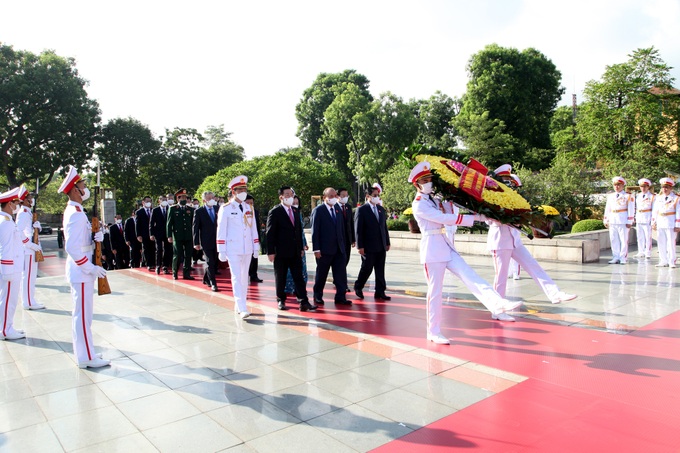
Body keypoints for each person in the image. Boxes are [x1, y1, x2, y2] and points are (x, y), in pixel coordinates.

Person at [408, 161, 522, 344]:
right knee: (435, 292)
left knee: (471, 276)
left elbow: (450, 209)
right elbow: (445, 218)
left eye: (430, 178)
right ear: (417, 184)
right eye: (425, 180)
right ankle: (433, 331)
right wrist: (475, 218)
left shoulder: (435, 199)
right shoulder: (419, 204)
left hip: (445, 245)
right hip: (432, 250)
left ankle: (498, 303)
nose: (429, 182)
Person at [486, 168, 576, 320]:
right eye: (506, 180)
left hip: (515, 240)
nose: (509, 184)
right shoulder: (490, 197)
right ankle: (497, 309)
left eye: (510, 180)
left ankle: (555, 294)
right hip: (500, 242)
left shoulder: (514, 197)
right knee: (501, 277)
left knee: (534, 266)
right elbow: (488, 219)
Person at [58, 166, 110, 368]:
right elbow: (71, 247)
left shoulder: (78, 211)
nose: (85, 189)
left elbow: (81, 241)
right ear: (74, 190)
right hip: (81, 272)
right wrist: (90, 268)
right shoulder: (75, 213)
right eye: (82, 186)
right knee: (82, 316)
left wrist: (96, 236)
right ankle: (86, 357)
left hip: (82, 271)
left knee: (84, 316)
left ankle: (87, 355)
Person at [266, 186, 316, 312]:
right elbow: (270, 233)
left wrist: (301, 248)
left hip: (295, 251)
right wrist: (270, 251)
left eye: (291, 194)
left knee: (298, 277)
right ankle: (281, 300)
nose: (290, 197)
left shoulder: (295, 211)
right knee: (281, 277)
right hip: (280, 252)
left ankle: (303, 301)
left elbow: (298, 231)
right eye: (287, 194)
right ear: (281, 197)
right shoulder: (275, 211)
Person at [217, 176, 260, 318]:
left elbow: (253, 228)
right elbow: (221, 230)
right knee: (236, 277)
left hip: (246, 248)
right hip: (233, 248)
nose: (243, 192)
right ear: (233, 191)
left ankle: (239, 303)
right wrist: (221, 249)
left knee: (244, 277)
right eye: (240, 190)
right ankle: (242, 307)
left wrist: (255, 246)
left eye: (245, 189)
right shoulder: (226, 208)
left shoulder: (249, 207)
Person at [311, 187, 351, 306]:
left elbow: (341, 229)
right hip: (324, 250)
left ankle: (340, 296)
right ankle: (318, 295)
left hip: (339, 249)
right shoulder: (319, 210)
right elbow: (315, 231)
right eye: (331, 196)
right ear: (325, 198)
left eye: (335, 196)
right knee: (321, 274)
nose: (334, 198)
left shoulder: (338, 208)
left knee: (340, 275)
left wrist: (343, 246)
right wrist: (316, 249)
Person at [0, 187, 30, 340]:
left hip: (11, 266)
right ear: (9, 204)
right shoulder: (5, 222)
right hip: (10, 268)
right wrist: (8, 270)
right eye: (16, 202)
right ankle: (4, 330)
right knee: (7, 301)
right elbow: (4, 248)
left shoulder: (6, 220)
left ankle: (7, 326)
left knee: (9, 300)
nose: (18, 205)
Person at [353, 185, 391, 301]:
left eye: (378, 195)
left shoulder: (380, 209)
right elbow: (358, 229)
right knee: (367, 268)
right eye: (374, 196)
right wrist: (360, 246)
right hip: (368, 246)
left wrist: (387, 242)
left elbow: (384, 227)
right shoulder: (362, 210)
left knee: (380, 269)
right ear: (367, 196)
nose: (377, 198)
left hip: (381, 245)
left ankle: (380, 291)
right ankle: (358, 286)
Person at [15, 187, 46, 310]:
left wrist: (37, 227)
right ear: (25, 200)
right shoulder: (23, 213)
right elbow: (18, 232)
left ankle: (30, 299)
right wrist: (30, 244)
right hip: (28, 250)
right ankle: (27, 302)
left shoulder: (27, 212)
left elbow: (30, 230)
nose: (32, 199)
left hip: (31, 249)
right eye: (29, 198)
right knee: (27, 277)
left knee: (31, 277)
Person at [603, 176, 635, 264]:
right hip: (613, 219)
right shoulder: (610, 196)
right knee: (613, 239)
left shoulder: (628, 196)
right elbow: (607, 208)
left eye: (619, 185)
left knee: (623, 240)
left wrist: (630, 221)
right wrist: (606, 219)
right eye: (615, 185)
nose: (617, 187)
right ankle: (615, 256)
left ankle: (623, 257)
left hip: (623, 219)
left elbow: (631, 209)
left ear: (622, 185)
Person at [167, 188, 195, 280]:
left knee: (188, 255)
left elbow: (193, 223)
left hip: (188, 236)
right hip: (177, 236)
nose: (184, 199)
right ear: (178, 199)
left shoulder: (191, 209)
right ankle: (175, 272)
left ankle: (186, 273)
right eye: (182, 198)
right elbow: (169, 223)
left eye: (185, 198)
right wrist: (169, 236)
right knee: (177, 255)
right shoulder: (173, 209)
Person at [193, 191, 219, 291]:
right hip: (206, 241)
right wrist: (196, 242)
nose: (212, 200)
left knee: (215, 261)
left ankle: (206, 278)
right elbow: (195, 228)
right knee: (209, 262)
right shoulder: (199, 211)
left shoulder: (218, 208)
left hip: (217, 240)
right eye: (209, 198)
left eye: (213, 197)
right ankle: (213, 283)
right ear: (204, 200)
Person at [652, 177, 680, 268]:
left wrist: (677, 224)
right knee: (661, 242)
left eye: (667, 187)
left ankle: (672, 261)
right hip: (661, 222)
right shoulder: (659, 198)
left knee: (671, 243)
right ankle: (663, 260)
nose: (665, 189)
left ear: (671, 188)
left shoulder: (676, 198)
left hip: (670, 222)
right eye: (663, 187)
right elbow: (655, 211)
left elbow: (678, 212)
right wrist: (653, 222)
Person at [284, 195, 308, 294]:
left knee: (302, 268)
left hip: (300, 246)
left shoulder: (298, 214)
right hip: (289, 247)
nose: (295, 205)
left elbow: (301, 231)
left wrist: (305, 243)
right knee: (290, 270)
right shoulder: (285, 214)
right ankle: (289, 288)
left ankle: (301, 288)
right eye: (293, 203)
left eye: (297, 203)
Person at [337, 188, 355, 292]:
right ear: (338, 196)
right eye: (343, 195)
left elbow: (351, 224)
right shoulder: (334, 207)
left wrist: (353, 239)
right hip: (338, 240)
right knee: (341, 262)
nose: (345, 197)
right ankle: (343, 284)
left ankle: (339, 280)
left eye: (346, 195)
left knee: (346, 260)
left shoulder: (348, 207)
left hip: (347, 239)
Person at [150, 195, 172, 275]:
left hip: (167, 233)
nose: (164, 201)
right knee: (159, 249)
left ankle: (165, 266)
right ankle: (158, 265)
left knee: (167, 249)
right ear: (159, 201)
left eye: (165, 199)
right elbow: (151, 223)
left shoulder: (169, 209)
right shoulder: (155, 210)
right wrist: (151, 234)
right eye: (162, 200)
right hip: (158, 233)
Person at [245, 194, 264, 283]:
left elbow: (257, 227)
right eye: (247, 202)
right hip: (244, 239)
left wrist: (258, 239)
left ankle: (253, 275)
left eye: (251, 203)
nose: (249, 204)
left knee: (254, 257)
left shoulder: (255, 211)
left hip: (253, 238)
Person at [635, 178, 655, 259]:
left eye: (645, 186)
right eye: (641, 186)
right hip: (639, 217)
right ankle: (641, 251)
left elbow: (654, 209)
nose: (643, 188)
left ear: (648, 187)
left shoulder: (652, 197)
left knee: (648, 236)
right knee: (639, 236)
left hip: (647, 217)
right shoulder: (638, 196)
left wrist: (653, 220)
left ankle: (648, 252)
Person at [135, 196, 155, 271]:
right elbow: (137, 224)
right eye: (147, 201)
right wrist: (138, 235)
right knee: (146, 249)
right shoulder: (139, 212)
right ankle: (148, 264)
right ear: (143, 202)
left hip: (152, 234)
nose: (149, 203)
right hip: (144, 234)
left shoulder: (153, 210)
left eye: (150, 201)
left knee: (153, 248)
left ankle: (153, 263)